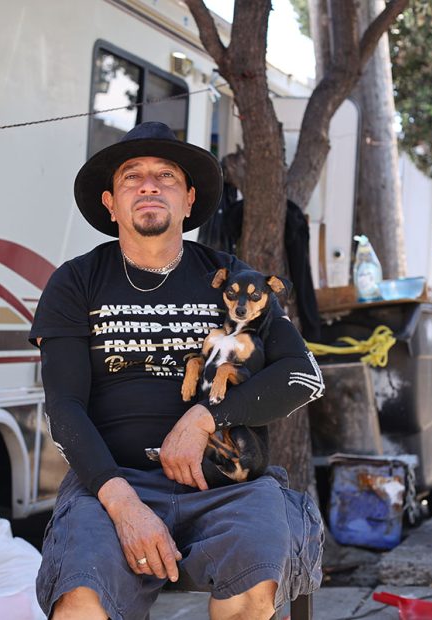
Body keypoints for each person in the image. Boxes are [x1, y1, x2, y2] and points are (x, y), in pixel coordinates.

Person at [30, 122, 325, 620]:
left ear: (188, 200)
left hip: (228, 488)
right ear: (110, 202)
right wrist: (123, 505)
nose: (148, 185)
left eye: (165, 175)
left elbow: (304, 374)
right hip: (111, 484)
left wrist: (206, 417)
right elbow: (64, 407)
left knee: (254, 584)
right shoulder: (76, 282)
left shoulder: (232, 281)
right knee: (81, 602)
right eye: (132, 177)